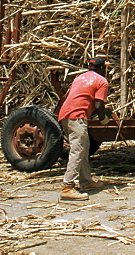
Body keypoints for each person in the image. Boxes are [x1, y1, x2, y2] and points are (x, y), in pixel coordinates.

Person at [57, 55, 110, 201]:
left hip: (65, 115)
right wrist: (103, 118)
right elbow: (99, 105)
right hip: (77, 116)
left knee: (83, 149)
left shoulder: (80, 77)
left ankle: (86, 182)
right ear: (102, 67)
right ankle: (67, 187)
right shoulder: (101, 81)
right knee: (78, 151)